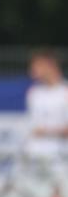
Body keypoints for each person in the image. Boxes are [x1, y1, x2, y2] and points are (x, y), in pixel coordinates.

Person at [22, 48, 68, 178]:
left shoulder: (65, 92)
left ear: (49, 65)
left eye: (36, 66)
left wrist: (47, 132)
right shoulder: (33, 93)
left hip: (60, 157)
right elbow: (33, 127)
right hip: (34, 155)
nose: (32, 71)